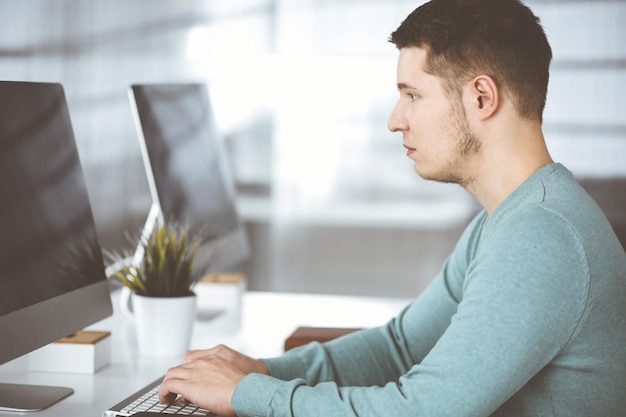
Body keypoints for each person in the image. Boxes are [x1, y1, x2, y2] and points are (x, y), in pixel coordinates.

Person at [158, 0, 626, 416]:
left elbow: (422, 410)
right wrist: (261, 371)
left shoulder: (540, 237)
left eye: (413, 95)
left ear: (481, 97)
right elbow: (400, 347)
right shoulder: (505, 223)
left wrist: (247, 395)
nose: (394, 120)